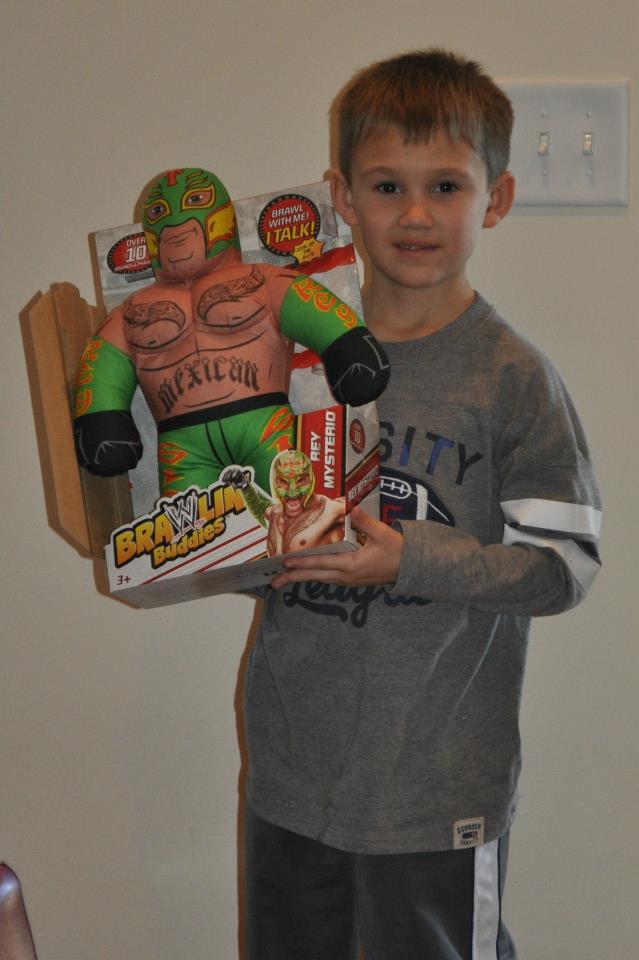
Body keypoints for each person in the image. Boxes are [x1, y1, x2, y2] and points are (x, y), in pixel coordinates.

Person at [243, 50, 602, 960]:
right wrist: (229, 547)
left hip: (437, 793)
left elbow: (564, 567)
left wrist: (409, 557)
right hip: (291, 778)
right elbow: (254, 542)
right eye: (385, 186)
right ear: (341, 198)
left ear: (496, 199)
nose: (413, 214)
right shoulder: (290, 362)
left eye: (445, 185)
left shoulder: (511, 377)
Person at [73, 168, 389, 496]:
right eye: (159, 212)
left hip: (266, 427)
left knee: (296, 513)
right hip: (184, 448)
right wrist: (101, 420)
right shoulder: (132, 312)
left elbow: (319, 312)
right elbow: (102, 364)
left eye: (195, 201)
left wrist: (349, 350)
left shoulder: (263, 280)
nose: (176, 227)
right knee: (190, 529)